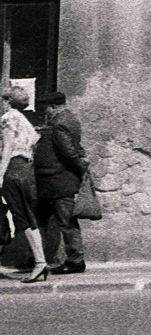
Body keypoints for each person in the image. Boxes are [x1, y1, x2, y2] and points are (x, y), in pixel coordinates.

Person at [33, 91, 87, 274]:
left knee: (66, 221)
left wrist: (80, 169)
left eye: (46, 108)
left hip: (59, 180)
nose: (44, 112)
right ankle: (38, 259)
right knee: (42, 219)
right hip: (52, 180)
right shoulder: (68, 119)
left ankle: (75, 260)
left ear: (53, 107)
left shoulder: (59, 123)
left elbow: (68, 152)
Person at [0, 85, 48, 282]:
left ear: (8, 101)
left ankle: (40, 261)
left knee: (21, 217)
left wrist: (0, 174)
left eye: (3, 100)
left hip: (13, 167)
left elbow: (8, 147)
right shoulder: (25, 121)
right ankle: (40, 261)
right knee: (26, 215)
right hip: (26, 169)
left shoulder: (8, 118)